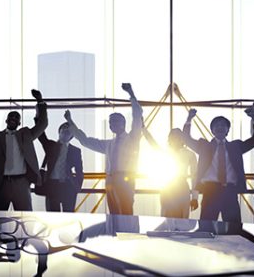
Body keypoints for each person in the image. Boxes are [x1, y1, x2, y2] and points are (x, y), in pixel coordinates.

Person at [177, 103, 254, 223]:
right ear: (212, 130)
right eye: (216, 125)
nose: (220, 127)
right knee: (206, 228)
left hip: (230, 192)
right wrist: (189, 119)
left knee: (234, 230)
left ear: (228, 130)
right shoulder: (204, 146)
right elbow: (186, 138)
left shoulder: (236, 146)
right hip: (210, 192)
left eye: (223, 125)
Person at [65, 83, 142, 215]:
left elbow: (137, 117)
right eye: (110, 122)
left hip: (126, 179)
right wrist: (71, 122)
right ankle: (115, 235)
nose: (112, 124)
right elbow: (86, 141)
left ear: (123, 123)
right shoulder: (109, 144)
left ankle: (128, 235)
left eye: (115, 121)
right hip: (110, 180)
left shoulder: (132, 139)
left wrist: (131, 94)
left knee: (126, 212)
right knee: (113, 213)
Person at [0, 89, 47, 211]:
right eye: (10, 116)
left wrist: (40, 101)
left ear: (19, 123)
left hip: (22, 183)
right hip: (1, 183)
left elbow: (42, 124)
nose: (13, 118)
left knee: (25, 217)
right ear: (6, 121)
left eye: (16, 117)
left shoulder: (26, 134)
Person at [142, 121, 198, 218]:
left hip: (181, 187)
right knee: (166, 217)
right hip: (168, 187)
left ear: (182, 139)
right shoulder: (164, 152)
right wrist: (143, 128)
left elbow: (195, 176)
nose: (175, 139)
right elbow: (152, 142)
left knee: (182, 217)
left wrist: (195, 198)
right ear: (169, 139)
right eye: (173, 137)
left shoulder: (190, 154)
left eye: (178, 137)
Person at [37, 122, 84, 212]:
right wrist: (39, 118)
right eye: (64, 128)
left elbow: (79, 170)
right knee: (53, 216)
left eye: (69, 129)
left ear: (72, 135)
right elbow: (41, 136)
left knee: (68, 216)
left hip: (68, 186)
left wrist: (77, 186)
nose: (66, 130)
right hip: (52, 186)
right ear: (59, 132)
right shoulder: (50, 146)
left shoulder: (75, 151)